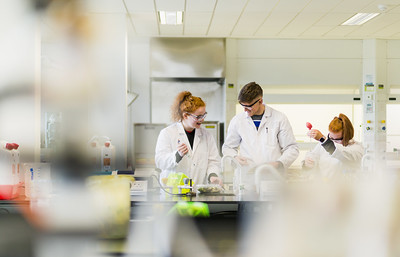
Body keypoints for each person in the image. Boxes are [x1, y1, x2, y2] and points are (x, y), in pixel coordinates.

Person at [222, 82, 299, 173]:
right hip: (247, 176)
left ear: (260, 101)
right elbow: (228, 147)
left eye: (249, 106)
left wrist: (279, 163)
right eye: (243, 106)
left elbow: (291, 148)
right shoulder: (238, 120)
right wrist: (235, 157)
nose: (245, 110)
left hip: (272, 176)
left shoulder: (279, 118)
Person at [155, 91, 222, 187]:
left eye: (204, 115)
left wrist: (213, 175)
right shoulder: (167, 133)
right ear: (185, 115)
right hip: (173, 192)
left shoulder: (207, 136)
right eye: (198, 116)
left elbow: (214, 161)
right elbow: (160, 162)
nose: (202, 119)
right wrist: (177, 155)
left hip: (197, 191)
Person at [303, 113, 364, 178]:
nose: (334, 142)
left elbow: (340, 153)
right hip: (325, 186)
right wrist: (309, 162)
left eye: (337, 139)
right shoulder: (323, 144)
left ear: (347, 136)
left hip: (346, 186)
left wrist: (323, 139)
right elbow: (313, 155)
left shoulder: (357, 149)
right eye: (331, 138)